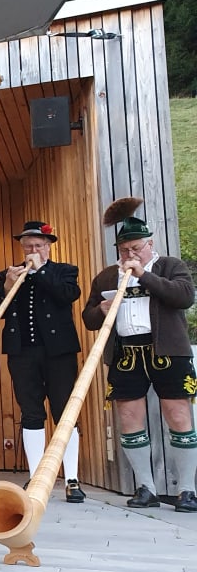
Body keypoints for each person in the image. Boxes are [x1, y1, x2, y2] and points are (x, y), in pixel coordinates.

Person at [83, 198, 196, 513]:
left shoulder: (170, 265)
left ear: (150, 244)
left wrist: (143, 274)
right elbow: (88, 318)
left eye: (136, 249)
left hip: (168, 351)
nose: (130, 255)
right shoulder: (107, 277)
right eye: (124, 251)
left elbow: (183, 297)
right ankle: (145, 486)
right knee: (129, 418)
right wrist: (101, 309)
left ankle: (187, 489)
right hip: (125, 353)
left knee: (178, 415)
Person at [0, 221, 84, 502]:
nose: (32, 250)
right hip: (22, 353)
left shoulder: (64, 271)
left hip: (59, 353)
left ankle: (72, 478)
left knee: (64, 412)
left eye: (38, 246)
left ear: (48, 247)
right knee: (30, 412)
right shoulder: (10, 274)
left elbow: (68, 295)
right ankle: (35, 475)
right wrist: (7, 286)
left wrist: (40, 270)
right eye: (28, 246)